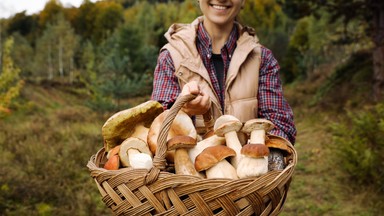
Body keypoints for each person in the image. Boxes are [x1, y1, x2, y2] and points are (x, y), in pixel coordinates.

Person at [151, 0, 296, 145]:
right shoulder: (171, 56)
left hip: (252, 166)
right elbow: (156, 131)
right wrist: (184, 111)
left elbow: (280, 126)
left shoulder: (262, 59)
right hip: (188, 167)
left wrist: (266, 155)